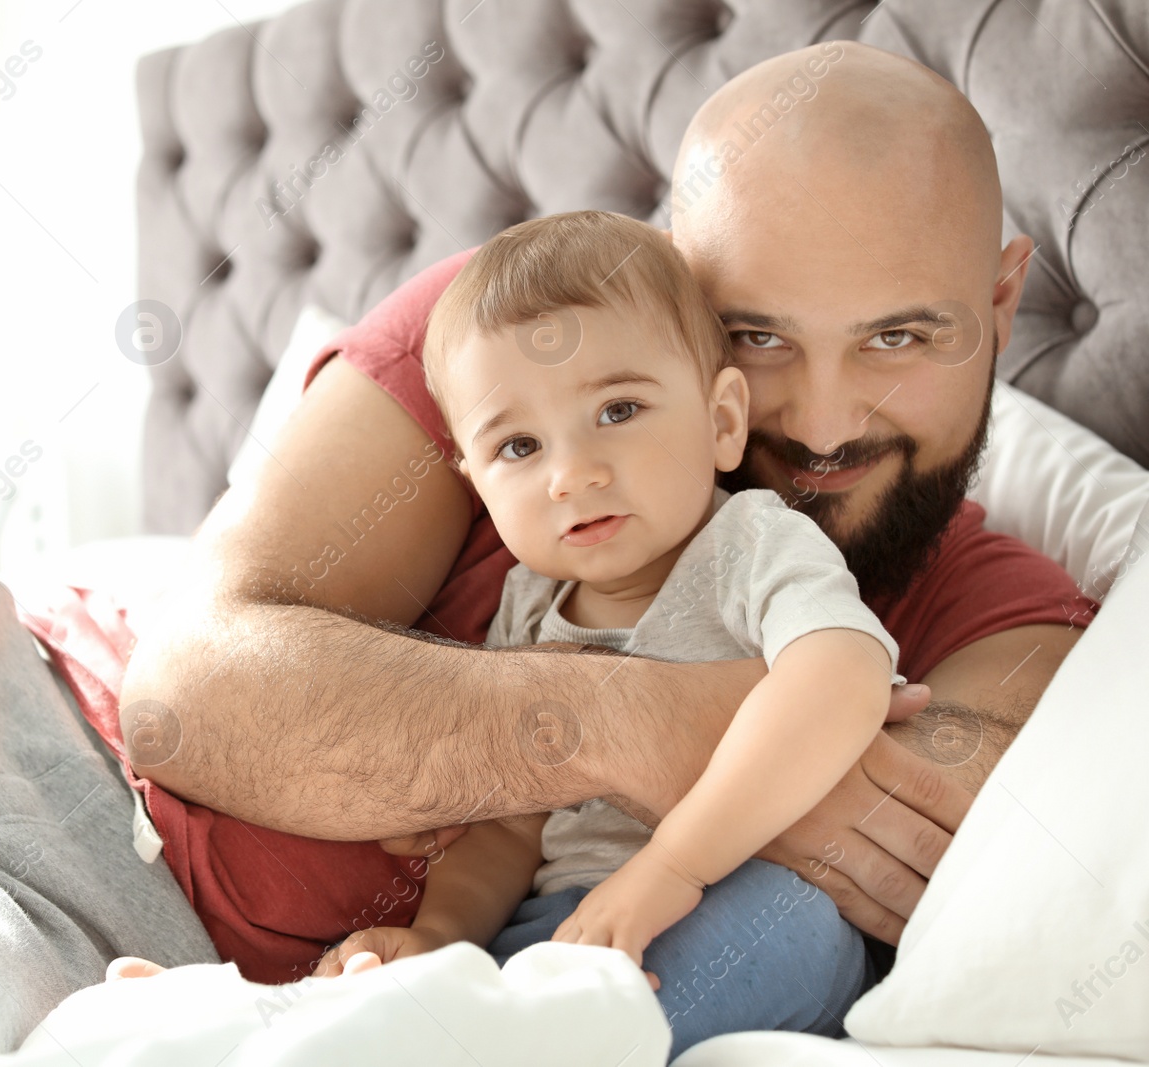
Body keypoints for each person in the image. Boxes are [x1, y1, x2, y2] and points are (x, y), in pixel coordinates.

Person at [116, 40, 1097, 993]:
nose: (821, 422)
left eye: (897, 336)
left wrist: (460, 737)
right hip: (90, 829)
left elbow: (944, 853)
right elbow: (179, 700)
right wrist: (634, 726)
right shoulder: (516, 347)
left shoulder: (1005, 613)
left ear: (1000, 305)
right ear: (676, 283)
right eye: (753, 334)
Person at [302, 209, 902, 1056]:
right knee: (473, 983)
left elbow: (842, 674)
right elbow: (511, 827)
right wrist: (439, 940)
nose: (572, 472)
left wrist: (670, 870)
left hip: (738, 891)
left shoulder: (751, 544)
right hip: (575, 922)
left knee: (793, 928)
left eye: (618, 409)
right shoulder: (528, 605)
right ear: (476, 484)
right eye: (518, 445)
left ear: (722, 419)